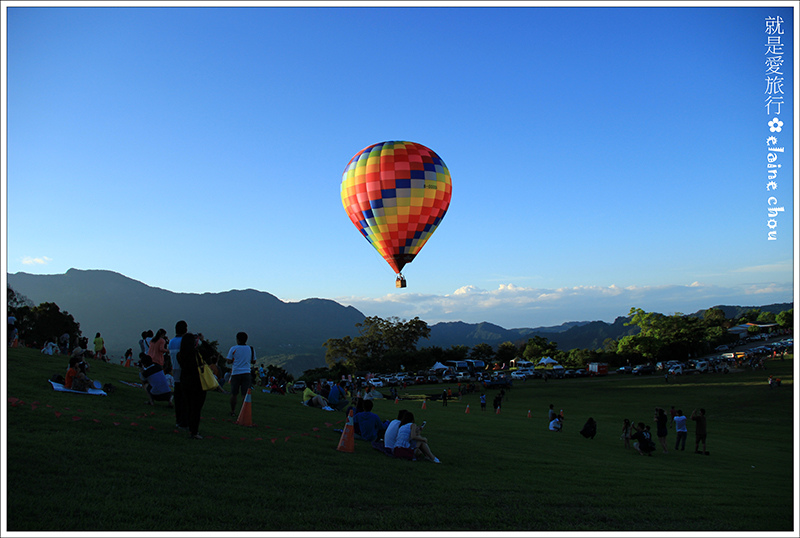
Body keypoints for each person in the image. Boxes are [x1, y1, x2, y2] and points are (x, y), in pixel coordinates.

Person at [177, 332, 206, 439]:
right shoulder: (196, 353)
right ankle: (194, 431)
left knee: (189, 406)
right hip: (197, 383)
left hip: (184, 382)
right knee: (196, 408)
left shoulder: (180, 355)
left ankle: (188, 426)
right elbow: (211, 352)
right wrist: (203, 340)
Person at [226, 332, 255, 417]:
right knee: (244, 395)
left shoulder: (233, 348)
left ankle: (233, 411)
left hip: (236, 373)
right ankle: (244, 413)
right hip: (246, 372)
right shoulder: (250, 349)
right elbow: (253, 361)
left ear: (237, 340)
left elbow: (229, 361)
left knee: (234, 394)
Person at [169, 320, 189, 431]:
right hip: (184, 373)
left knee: (178, 398)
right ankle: (184, 422)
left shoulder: (171, 342)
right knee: (185, 399)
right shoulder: (184, 341)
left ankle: (178, 421)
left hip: (175, 372)